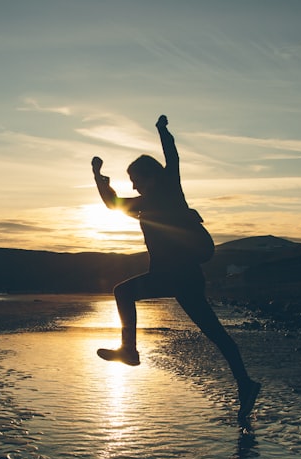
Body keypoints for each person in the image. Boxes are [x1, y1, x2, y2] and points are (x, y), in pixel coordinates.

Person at [92, 115, 261, 423]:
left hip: (176, 275)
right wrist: (99, 178)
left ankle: (129, 351)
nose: (134, 185)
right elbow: (112, 204)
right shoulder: (143, 205)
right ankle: (246, 385)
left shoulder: (170, 191)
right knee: (216, 334)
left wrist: (162, 131)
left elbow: (173, 157)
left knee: (123, 291)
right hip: (184, 278)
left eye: (137, 180)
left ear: (152, 177)